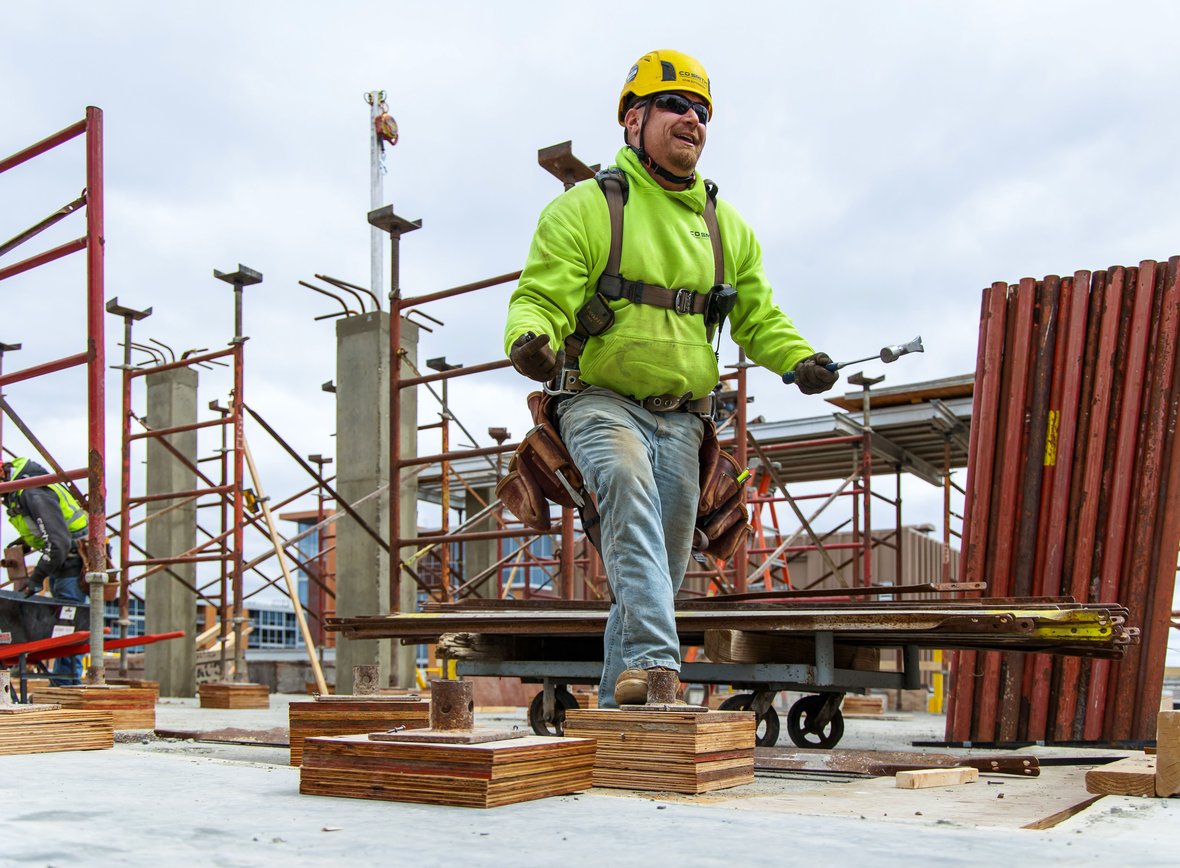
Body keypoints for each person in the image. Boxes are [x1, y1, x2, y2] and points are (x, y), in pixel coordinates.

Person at [503, 50, 839, 708]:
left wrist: (797, 359)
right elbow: (540, 295)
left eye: (702, 111)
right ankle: (658, 671)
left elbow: (759, 317)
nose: (693, 120)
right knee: (628, 496)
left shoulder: (725, 227)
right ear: (633, 121)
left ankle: (614, 712)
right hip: (600, 404)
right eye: (676, 105)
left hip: (684, 421)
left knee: (659, 561)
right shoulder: (588, 209)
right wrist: (529, 341)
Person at [1, 457, 89, 685]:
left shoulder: (32, 492)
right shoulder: (19, 491)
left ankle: (66, 687)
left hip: (72, 565)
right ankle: (62, 685)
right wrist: (24, 544)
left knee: (69, 631)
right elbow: (47, 531)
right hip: (62, 565)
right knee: (63, 630)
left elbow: (58, 542)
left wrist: (37, 578)